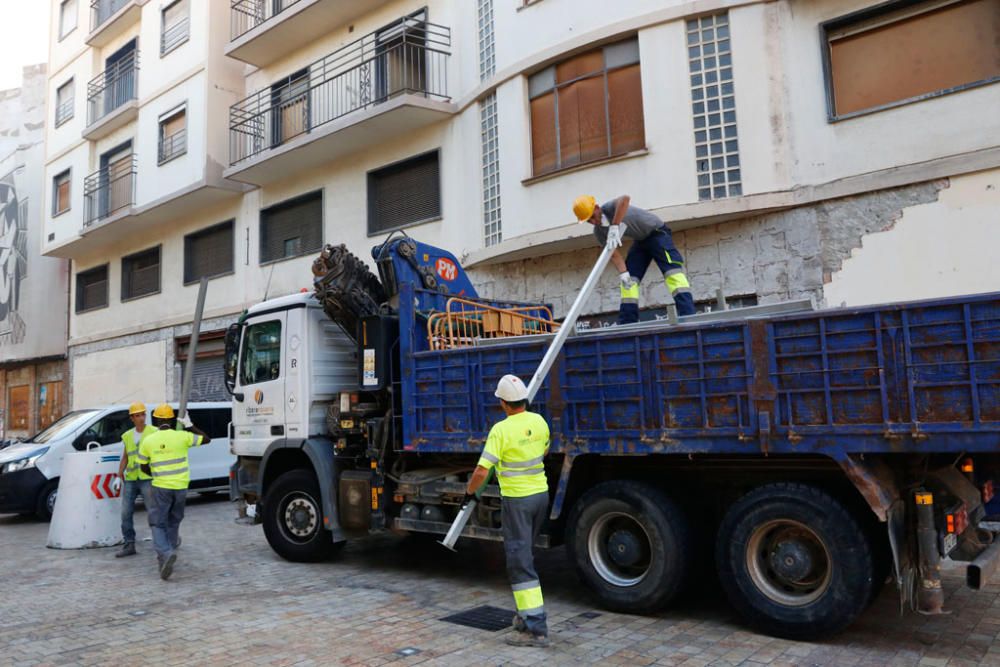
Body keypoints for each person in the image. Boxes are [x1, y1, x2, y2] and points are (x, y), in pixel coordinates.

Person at [466, 375, 551, 647]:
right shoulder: (539, 421)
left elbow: (482, 469)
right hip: (540, 496)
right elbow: (545, 450)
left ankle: (535, 629)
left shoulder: (501, 430)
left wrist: (469, 493)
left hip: (518, 500)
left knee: (519, 562)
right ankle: (525, 617)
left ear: (503, 403)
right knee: (525, 555)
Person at [573, 194, 695, 323]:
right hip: (641, 241)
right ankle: (627, 321)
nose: (593, 222)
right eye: (588, 221)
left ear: (597, 208)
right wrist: (623, 273)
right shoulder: (599, 232)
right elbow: (613, 253)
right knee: (629, 281)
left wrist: (614, 225)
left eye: (592, 216)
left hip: (657, 233)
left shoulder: (610, 208)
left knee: (672, 273)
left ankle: (688, 315)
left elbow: (625, 199)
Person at [136, 404, 210, 580]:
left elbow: (143, 466)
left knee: (157, 523)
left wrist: (156, 474)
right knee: (174, 521)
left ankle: (166, 552)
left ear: (155, 420)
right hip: (181, 487)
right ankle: (166, 556)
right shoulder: (182, 436)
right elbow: (206, 439)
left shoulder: (148, 441)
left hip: (161, 486)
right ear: (171, 419)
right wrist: (189, 425)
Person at [115, 402, 155, 558]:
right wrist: (119, 475)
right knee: (125, 513)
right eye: (137, 415)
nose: (141, 418)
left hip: (147, 478)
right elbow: (125, 457)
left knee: (154, 512)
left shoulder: (154, 432)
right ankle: (129, 544)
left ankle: (165, 539)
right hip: (131, 479)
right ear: (131, 418)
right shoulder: (127, 436)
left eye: (143, 415)